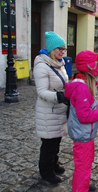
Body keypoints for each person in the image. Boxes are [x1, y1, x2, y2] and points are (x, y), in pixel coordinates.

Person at [64, 50, 98, 192]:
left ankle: (83, 185)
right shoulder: (82, 88)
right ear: (90, 67)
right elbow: (84, 116)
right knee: (83, 167)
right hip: (82, 135)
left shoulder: (82, 83)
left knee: (86, 164)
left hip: (84, 135)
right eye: (96, 64)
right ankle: (80, 188)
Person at [33, 31, 69, 184]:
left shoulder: (59, 64)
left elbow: (64, 84)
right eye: (59, 49)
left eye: (63, 49)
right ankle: (46, 171)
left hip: (59, 109)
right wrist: (59, 97)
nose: (62, 52)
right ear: (52, 49)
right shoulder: (42, 65)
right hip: (48, 111)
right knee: (49, 143)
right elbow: (41, 92)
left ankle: (54, 163)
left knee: (56, 140)